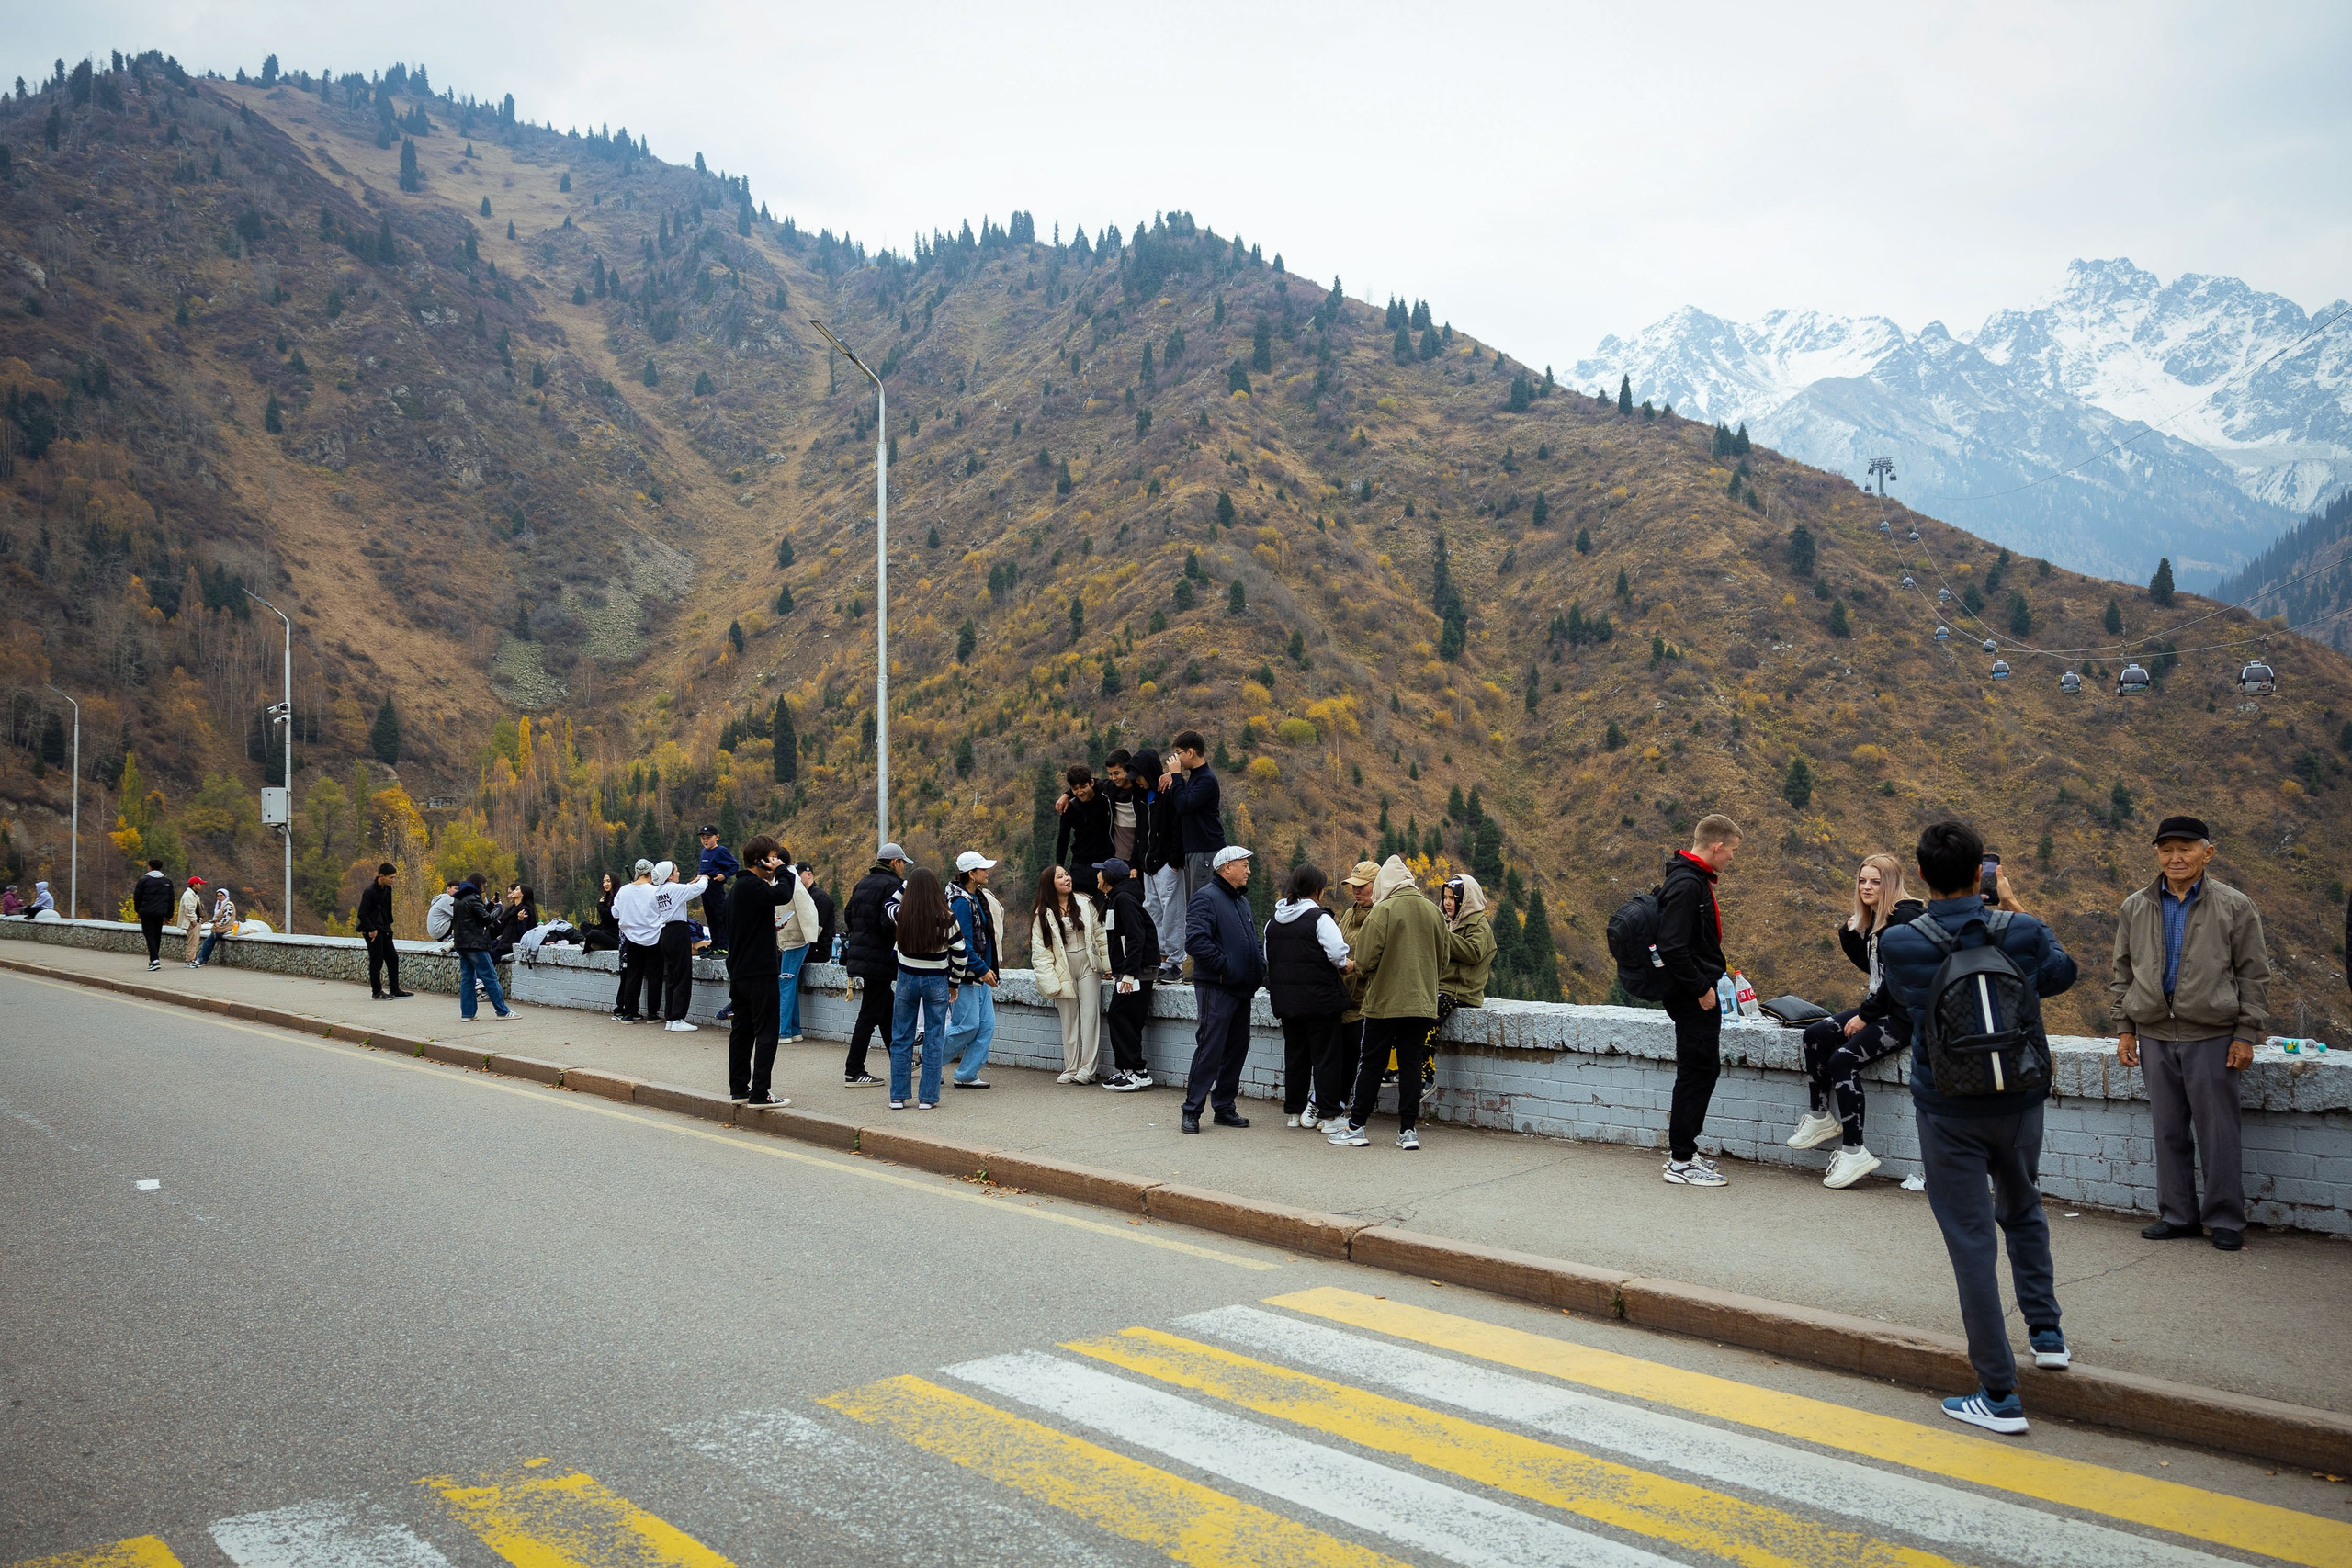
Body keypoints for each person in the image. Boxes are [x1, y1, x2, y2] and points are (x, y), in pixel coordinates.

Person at [1878, 818, 2078, 1436]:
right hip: (2019, 1099)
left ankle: (2000, 1393)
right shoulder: (2021, 931)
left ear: (1920, 876)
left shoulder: (1900, 941)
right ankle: (2046, 1335)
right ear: (1980, 874)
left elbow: (1902, 1004)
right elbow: (2060, 974)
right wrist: (2013, 905)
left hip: (1947, 1109)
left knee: (1971, 1244)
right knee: (2024, 1210)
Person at [2110, 815, 2271, 1252]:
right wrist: (2126, 1029)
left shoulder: (2235, 905)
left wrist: (2245, 1033)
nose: (2175, 857)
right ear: (2157, 853)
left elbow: (2254, 975)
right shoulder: (2136, 905)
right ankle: (2178, 1215)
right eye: (2167, 849)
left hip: (2212, 1036)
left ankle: (2224, 1219)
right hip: (2155, 1033)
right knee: (2168, 1130)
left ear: (2207, 852)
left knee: (2218, 1132)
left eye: (2185, 848)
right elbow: (2123, 971)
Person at [1788, 853, 1921, 1188]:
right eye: (1862, 880)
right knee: (1815, 1035)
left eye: (1875, 881)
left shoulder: (1905, 918)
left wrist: (1865, 1015)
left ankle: (1854, 1150)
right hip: (1883, 1007)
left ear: (1890, 883)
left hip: (1904, 1016)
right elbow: (1875, 969)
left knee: (1842, 1061)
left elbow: (1897, 981)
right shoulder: (1881, 918)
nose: (1866, 887)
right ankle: (1820, 1117)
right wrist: (1850, 933)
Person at [1329, 855, 1443, 1150]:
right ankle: (1408, 1131)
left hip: (1384, 1003)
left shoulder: (1383, 911)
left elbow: (1365, 962)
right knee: (1411, 1064)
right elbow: (1443, 959)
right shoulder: (1433, 911)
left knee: (1372, 1063)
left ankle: (1356, 1127)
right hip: (1422, 1004)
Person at [1657, 814, 1741, 1187]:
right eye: (1732, 851)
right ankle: (1681, 1161)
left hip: (1695, 993)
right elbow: (1672, 946)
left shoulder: (1690, 879)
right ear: (1717, 846)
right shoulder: (1688, 884)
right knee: (1697, 1072)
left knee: (1699, 1070)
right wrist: (1701, 989)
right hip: (1695, 997)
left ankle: (1684, 1151)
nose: (1731, 859)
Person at [1180, 844, 1266, 1134]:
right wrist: (1226, 968)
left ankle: (1224, 1108)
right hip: (1217, 987)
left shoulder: (1240, 901)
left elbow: (1251, 940)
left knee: (1236, 1047)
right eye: (1244, 864)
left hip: (1240, 988)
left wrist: (1258, 966)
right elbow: (1195, 942)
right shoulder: (1206, 898)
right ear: (1227, 867)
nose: (1249, 870)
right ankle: (1191, 1111)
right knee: (1211, 1047)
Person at [1266, 863, 1352, 1130]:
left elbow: (1269, 959)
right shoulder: (1320, 919)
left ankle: (1294, 1112)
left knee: (1296, 1057)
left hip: (1287, 1003)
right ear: (1318, 891)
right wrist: (1348, 965)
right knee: (1326, 1058)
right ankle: (1329, 1116)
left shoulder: (1274, 922)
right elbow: (1338, 954)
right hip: (1320, 1002)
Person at [723, 834, 799, 1111]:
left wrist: (769, 927)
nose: (777, 861)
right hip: (759, 971)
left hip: (740, 970)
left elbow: (745, 927)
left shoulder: (738, 889)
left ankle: (739, 1088)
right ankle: (760, 1092)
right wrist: (783, 870)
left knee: (742, 1030)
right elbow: (784, 893)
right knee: (767, 1030)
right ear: (761, 860)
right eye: (773, 856)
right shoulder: (753, 886)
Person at [884, 866, 970, 1110]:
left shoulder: (902, 914)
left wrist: (906, 885)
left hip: (906, 979)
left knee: (901, 1037)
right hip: (936, 982)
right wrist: (954, 983)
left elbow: (889, 903)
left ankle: (898, 1097)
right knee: (934, 1038)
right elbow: (961, 955)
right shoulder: (947, 917)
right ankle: (928, 1098)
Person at [1032, 863, 1109, 1085]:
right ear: (1050, 884)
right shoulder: (1042, 913)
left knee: (1090, 1016)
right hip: (1062, 968)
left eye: (1067, 874)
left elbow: (1100, 935)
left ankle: (1088, 1069)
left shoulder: (1085, 903)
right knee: (1069, 1019)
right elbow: (1040, 951)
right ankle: (1071, 1067)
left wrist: (1108, 964)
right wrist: (1048, 979)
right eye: (1060, 877)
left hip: (1087, 965)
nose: (1067, 879)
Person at [841, 845, 909, 1084]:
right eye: (902, 863)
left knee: (885, 1008)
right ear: (894, 863)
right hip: (879, 957)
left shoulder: (862, 884)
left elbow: (849, 916)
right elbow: (888, 921)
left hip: (862, 955)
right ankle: (854, 1070)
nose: (903, 868)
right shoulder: (892, 886)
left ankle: (902, 1059)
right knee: (869, 1015)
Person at [944, 852, 1006, 1089]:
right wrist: (982, 969)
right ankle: (929, 1060)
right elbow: (963, 943)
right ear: (971, 874)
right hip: (966, 976)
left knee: (985, 1027)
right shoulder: (961, 902)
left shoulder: (975, 897)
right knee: (967, 1026)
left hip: (979, 975)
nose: (987, 871)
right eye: (982, 869)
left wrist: (987, 969)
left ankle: (966, 1074)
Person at [1101, 858, 1159, 1090]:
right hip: (1131, 970)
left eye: (1100, 872)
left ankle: (1137, 1071)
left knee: (1121, 1016)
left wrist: (1128, 973)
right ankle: (1130, 1070)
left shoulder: (1123, 899)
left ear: (1108, 878)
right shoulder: (1117, 898)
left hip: (1137, 972)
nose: (1097, 876)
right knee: (1125, 1017)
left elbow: (1136, 937)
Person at [1333, 861, 1381, 1122]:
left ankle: (1344, 1105)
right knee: (1338, 1054)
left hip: (1366, 1002)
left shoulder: (1381, 914)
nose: (1356, 891)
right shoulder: (1350, 914)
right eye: (1353, 886)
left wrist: (1356, 966)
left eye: (1362, 886)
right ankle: (1330, 1102)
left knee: (1354, 1054)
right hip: (1343, 998)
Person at [1160, 732, 1224, 924]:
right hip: (1195, 850)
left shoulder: (1206, 779)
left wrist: (1176, 775)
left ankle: (1203, 949)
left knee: (1201, 904)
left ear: (1190, 752)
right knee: (1196, 902)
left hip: (1205, 850)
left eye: (1178, 753)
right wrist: (1175, 778)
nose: (1176, 759)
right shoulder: (1197, 777)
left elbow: (1184, 805)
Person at [1134, 748, 1184, 982]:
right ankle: (1161, 958)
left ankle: (1176, 963)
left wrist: (1174, 861)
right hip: (1149, 865)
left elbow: (1177, 826)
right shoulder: (1141, 796)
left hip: (1166, 863)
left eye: (1139, 775)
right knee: (1152, 909)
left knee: (1172, 911)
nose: (1137, 781)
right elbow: (1140, 832)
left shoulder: (1167, 792)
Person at [769, 855, 824, 1047]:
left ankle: (783, 1031)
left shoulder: (790, 881)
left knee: (785, 984)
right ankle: (794, 1030)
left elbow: (808, 911)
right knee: (789, 984)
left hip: (795, 940)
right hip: (792, 939)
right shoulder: (789, 879)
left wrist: (809, 936)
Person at [650, 861, 709, 1031]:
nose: (679, 872)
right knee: (683, 974)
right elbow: (697, 889)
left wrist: (692, 882)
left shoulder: (659, 891)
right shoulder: (675, 889)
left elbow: (683, 890)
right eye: (676, 870)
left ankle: (670, 1017)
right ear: (669, 875)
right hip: (679, 932)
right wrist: (704, 878)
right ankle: (678, 1018)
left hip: (666, 933)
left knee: (671, 976)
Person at [449, 874, 516, 1021]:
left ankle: (467, 1014)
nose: (484, 889)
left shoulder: (460, 898)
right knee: (490, 977)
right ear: (478, 883)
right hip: (475, 944)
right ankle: (502, 1011)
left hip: (462, 944)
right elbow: (486, 918)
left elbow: (475, 914)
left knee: (467, 979)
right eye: (484, 885)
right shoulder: (472, 898)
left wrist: (490, 905)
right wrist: (498, 909)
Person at [1440, 871, 1496, 1020]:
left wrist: (1443, 937)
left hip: (1462, 992)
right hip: (1443, 988)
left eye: (1452, 898)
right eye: (1445, 897)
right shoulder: (1446, 922)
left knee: (1426, 1022)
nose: (1447, 902)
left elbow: (1474, 952)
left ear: (1465, 899)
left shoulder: (1478, 924)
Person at [610, 861, 660, 1021]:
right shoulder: (655, 891)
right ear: (650, 874)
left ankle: (629, 1012)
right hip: (653, 937)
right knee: (654, 976)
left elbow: (615, 913)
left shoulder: (624, 891)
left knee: (633, 975)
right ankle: (652, 1013)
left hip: (631, 937)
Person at [356, 862, 413, 999]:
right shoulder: (369, 892)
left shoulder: (387, 889)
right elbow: (362, 913)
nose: (393, 880)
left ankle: (395, 989)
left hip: (384, 929)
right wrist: (371, 929)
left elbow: (387, 910)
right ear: (382, 876)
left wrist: (388, 926)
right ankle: (377, 992)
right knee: (377, 961)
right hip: (373, 931)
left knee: (392, 958)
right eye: (391, 878)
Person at [1055, 764, 1114, 889]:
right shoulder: (1069, 807)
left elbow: (1108, 782)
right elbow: (1063, 838)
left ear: (1091, 783)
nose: (1080, 792)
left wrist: (1067, 794)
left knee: (1106, 904)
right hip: (1080, 865)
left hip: (1105, 862)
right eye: (1075, 789)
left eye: (1083, 787)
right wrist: (1059, 865)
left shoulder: (1105, 797)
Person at [697, 825, 739, 957]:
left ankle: (724, 947)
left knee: (720, 917)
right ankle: (714, 946)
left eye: (708, 838)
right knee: (710, 918)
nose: (705, 841)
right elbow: (702, 870)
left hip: (715, 885)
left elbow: (734, 865)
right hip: (704, 887)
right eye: (703, 838)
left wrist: (724, 875)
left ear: (717, 837)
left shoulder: (720, 851)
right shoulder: (704, 852)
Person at [132, 859, 175, 971]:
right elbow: (171, 900)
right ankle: (154, 959)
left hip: (147, 912)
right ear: (160, 868)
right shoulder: (167, 882)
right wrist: (169, 915)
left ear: (149, 867)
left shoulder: (143, 881)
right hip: (160, 913)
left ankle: (155, 960)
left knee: (149, 935)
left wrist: (138, 911)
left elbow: (137, 897)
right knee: (157, 935)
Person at [491, 883, 537, 962]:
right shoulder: (511, 909)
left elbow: (524, 934)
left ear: (522, 894)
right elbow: (501, 927)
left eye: (517, 889)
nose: (513, 891)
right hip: (504, 942)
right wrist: (492, 917)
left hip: (510, 945)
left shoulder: (524, 910)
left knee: (488, 959)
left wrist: (520, 920)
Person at [195, 885, 238, 966]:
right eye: (218, 895)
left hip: (224, 927)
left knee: (208, 942)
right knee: (209, 942)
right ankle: (202, 959)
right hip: (218, 927)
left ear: (226, 896)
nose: (219, 897)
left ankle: (202, 959)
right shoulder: (219, 904)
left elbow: (227, 918)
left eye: (221, 895)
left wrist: (218, 924)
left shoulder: (228, 905)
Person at [583, 873, 622, 953]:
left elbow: (609, 917)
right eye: (604, 882)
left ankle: (600, 945)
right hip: (606, 931)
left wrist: (600, 906)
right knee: (584, 926)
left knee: (593, 934)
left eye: (608, 881)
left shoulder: (618, 898)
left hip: (615, 936)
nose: (606, 884)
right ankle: (600, 944)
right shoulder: (606, 899)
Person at [175, 875, 206, 968]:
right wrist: (194, 921)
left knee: (194, 941)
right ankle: (190, 960)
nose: (201, 885)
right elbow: (189, 910)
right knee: (193, 942)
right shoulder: (189, 895)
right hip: (192, 922)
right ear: (194, 884)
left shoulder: (192, 894)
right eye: (199, 883)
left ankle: (190, 959)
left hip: (194, 921)